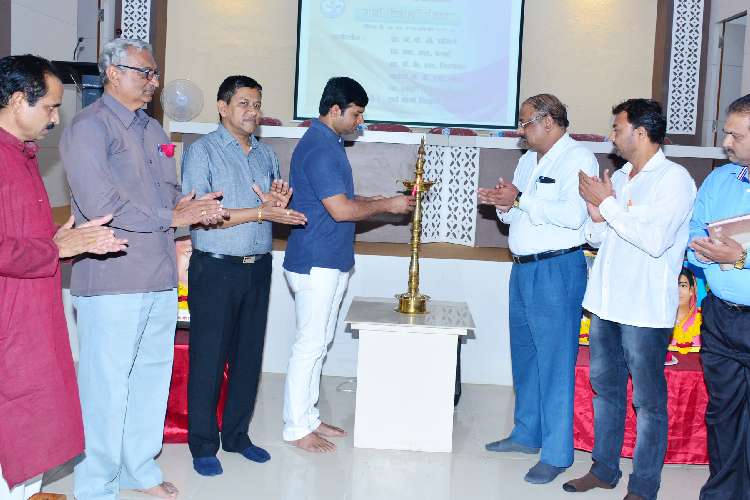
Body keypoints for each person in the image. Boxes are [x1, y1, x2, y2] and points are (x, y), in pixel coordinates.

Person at [60, 39, 227, 500]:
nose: (155, 82)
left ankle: (138, 468)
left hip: (158, 273)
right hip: (112, 276)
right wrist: (173, 215)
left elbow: (164, 195)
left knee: (151, 378)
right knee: (105, 387)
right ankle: (97, 485)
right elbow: (102, 204)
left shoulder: (153, 129)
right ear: (113, 73)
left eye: (155, 74)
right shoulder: (88, 127)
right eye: (145, 73)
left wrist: (190, 206)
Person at [0, 54, 126, 500]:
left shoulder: (21, 154)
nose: (55, 118)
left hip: (32, 309)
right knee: (13, 414)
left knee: (35, 410)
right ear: (19, 101)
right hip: (10, 315)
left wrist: (66, 241)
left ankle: (26, 491)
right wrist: (57, 248)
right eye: (51, 107)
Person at [564, 99, 696, 500]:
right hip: (606, 304)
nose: (612, 136)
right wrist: (596, 212)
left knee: (648, 402)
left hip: (644, 309)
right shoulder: (620, 177)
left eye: (617, 128)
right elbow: (600, 237)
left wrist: (607, 205)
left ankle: (644, 486)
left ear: (640, 132)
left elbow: (654, 241)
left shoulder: (673, 180)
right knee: (606, 389)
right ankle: (604, 470)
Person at [181, 75, 307, 476]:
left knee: (248, 357)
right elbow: (202, 214)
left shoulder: (266, 154)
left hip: (258, 266)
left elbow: (268, 206)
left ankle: (237, 436)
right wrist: (260, 211)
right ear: (222, 107)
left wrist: (275, 204)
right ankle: (203, 444)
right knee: (209, 358)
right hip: (216, 267)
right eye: (244, 103)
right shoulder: (202, 151)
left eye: (257, 104)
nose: (253, 112)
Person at [281, 77, 415, 453]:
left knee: (320, 342)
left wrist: (378, 199)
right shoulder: (320, 148)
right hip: (316, 261)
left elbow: (339, 199)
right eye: (356, 114)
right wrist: (388, 205)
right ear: (335, 110)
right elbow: (341, 210)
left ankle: (309, 417)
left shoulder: (329, 142)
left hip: (330, 258)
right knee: (309, 346)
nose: (360, 122)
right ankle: (296, 427)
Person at [478, 94, 599, 484]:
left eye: (525, 122)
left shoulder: (578, 158)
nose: (520, 130)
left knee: (555, 362)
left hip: (556, 269)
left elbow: (573, 216)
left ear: (549, 121)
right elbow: (516, 215)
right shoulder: (528, 160)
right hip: (522, 269)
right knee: (526, 356)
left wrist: (521, 199)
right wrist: (502, 204)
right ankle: (526, 433)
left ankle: (557, 453)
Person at [687, 93, 750, 500]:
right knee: (722, 412)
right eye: (726, 133)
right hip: (721, 317)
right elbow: (695, 229)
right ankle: (723, 493)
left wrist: (740, 257)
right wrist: (704, 252)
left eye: (736, 136)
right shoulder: (719, 179)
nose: (726, 143)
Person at [666, 267, 701, 363]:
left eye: (682, 285)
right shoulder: (658, 321)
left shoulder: (704, 320)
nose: (677, 291)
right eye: (673, 285)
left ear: (692, 290)